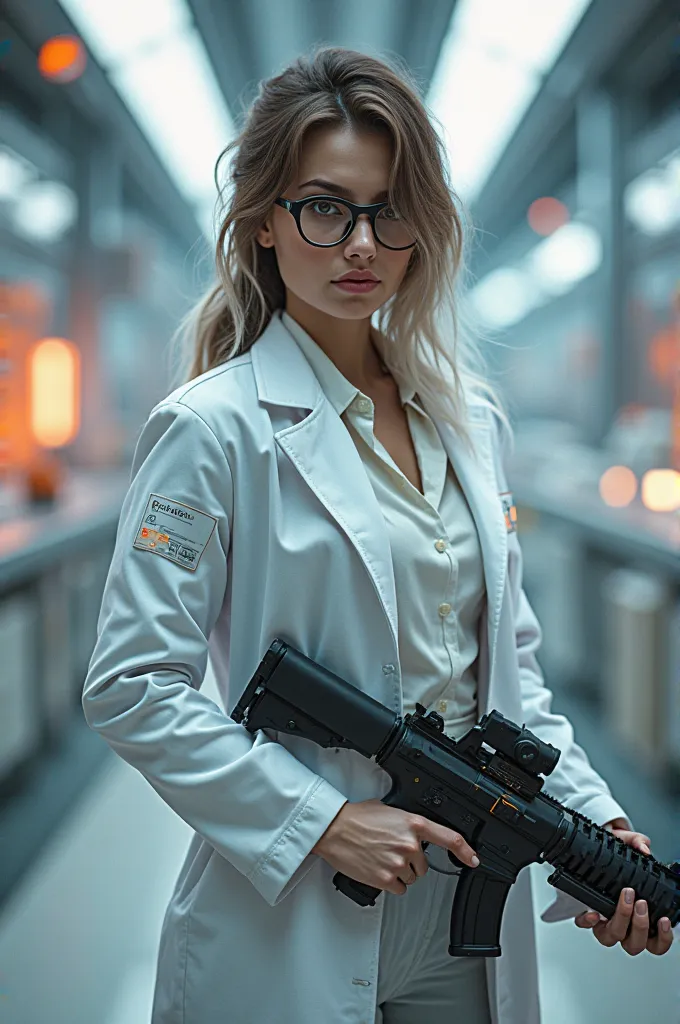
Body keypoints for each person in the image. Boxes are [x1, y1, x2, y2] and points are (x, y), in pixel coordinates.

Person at [81, 45, 673, 1024]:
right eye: (324, 206)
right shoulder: (212, 428)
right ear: (265, 223)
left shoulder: (467, 420)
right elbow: (131, 683)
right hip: (295, 904)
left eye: (386, 209)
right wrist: (320, 823)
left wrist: (595, 830)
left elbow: (508, 678)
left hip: (459, 918)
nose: (359, 242)